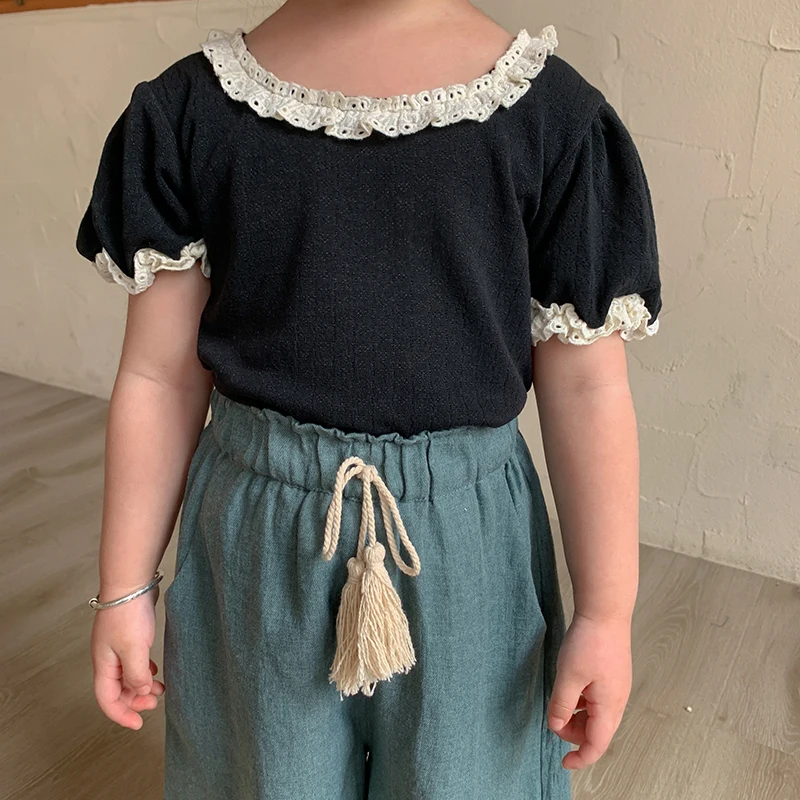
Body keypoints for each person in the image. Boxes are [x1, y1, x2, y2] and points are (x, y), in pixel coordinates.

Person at [76, 1, 662, 797]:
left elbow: (588, 387)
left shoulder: (555, 121)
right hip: (257, 549)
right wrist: (124, 587)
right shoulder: (188, 114)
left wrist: (605, 613)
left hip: (468, 560)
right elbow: (160, 377)